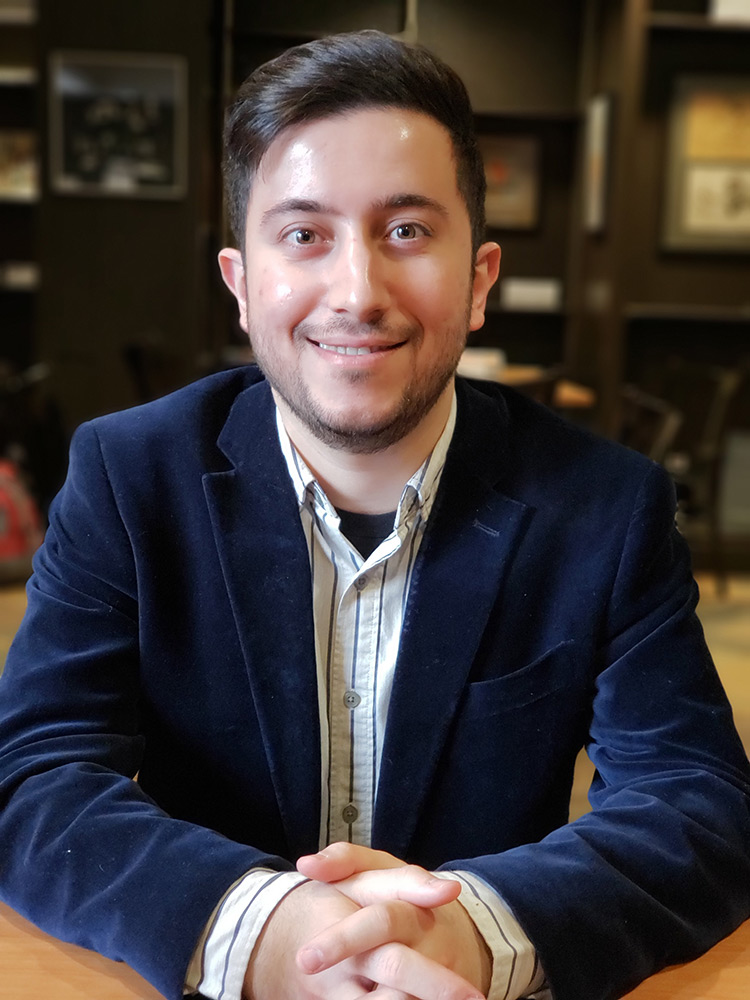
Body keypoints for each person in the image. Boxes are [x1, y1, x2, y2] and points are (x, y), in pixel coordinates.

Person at [0, 28, 749, 1000]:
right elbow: (34, 774)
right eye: (304, 234)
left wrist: (476, 930)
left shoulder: (604, 505)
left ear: (480, 280)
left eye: (406, 231)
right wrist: (259, 926)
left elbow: (699, 802)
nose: (357, 291)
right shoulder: (128, 475)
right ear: (241, 283)